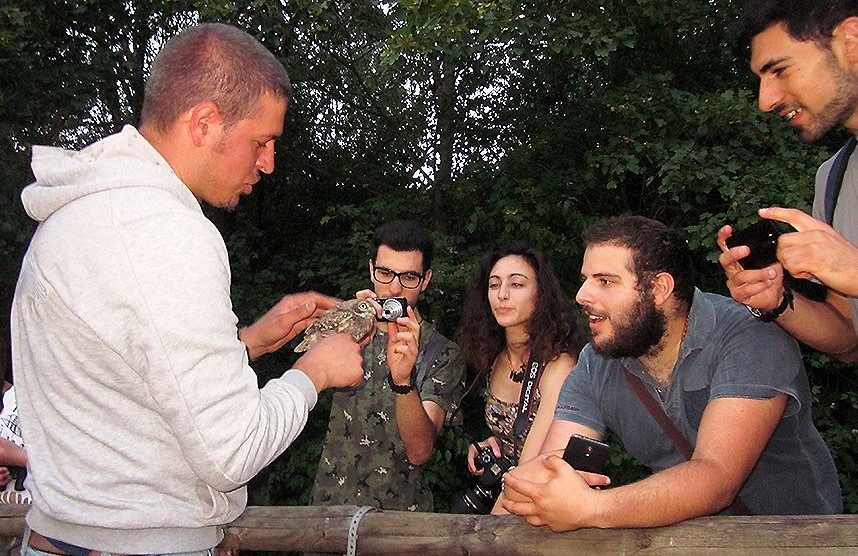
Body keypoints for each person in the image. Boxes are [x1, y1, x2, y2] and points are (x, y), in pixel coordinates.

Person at [11, 23, 365, 555]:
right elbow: (233, 451)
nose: (269, 163)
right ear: (204, 123)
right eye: (262, 141)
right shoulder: (164, 231)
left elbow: (131, 381)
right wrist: (313, 371)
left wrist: (250, 342)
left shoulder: (83, 214)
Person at [501, 215, 841, 532]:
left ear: (659, 288)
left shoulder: (749, 336)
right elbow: (552, 464)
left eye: (605, 281)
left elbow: (716, 476)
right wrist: (531, 488)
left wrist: (592, 508)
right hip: (688, 541)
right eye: (585, 280)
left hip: (798, 539)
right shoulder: (596, 361)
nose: (581, 296)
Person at [718, 0, 858, 362]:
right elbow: (849, 340)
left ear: (850, 40)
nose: (765, 101)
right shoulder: (834, 179)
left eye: (779, 70)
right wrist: (778, 301)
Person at [311, 220, 466, 512]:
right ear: (371, 270)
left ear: (426, 279)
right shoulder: (348, 330)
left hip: (399, 521)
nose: (394, 287)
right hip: (328, 513)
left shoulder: (441, 352)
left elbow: (420, 452)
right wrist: (346, 319)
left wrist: (403, 380)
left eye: (408, 277)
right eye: (384, 273)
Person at [455, 241, 581, 511]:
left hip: (545, 502)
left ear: (541, 294)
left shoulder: (558, 365)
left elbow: (530, 466)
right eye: (494, 284)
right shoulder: (494, 358)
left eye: (516, 284)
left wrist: (488, 534)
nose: (502, 294)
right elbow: (518, 432)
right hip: (509, 493)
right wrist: (495, 443)